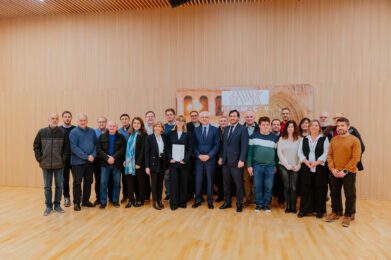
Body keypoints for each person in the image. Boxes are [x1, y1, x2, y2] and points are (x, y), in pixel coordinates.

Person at [325, 117, 361, 227]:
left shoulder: (354, 140)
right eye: (338, 126)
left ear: (348, 127)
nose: (340, 127)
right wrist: (332, 169)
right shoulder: (333, 140)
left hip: (349, 172)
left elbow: (356, 158)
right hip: (335, 171)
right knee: (334, 193)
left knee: (349, 194)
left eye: (342, 125)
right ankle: (336, 212)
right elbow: (329, 155)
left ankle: (348, 215)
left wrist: (345, 171)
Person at [33, 113, 69, 216]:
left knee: (59, 186)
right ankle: (48, 206)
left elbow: (67, 148)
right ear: (48, 119)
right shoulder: (42, 132)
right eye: (52, 118)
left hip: (59, 165)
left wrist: (63, 160)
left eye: (56, 119)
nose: (54, 120)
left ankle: (57, 205)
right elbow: (36, 146)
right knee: (47, 187)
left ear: (58, 120)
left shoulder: (62, 132)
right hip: (46, 164)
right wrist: (40, 159)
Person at [297, 120, 329, 218]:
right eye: (312, 125)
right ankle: (304, 210)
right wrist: (306, 162)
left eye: (316, 125)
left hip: (320, 168)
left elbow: (326, 153)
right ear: (309, 127)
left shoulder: (324, 138)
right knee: (306, 189)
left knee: (320, 189)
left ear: (319, 128)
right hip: (306, 167)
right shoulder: (304, 139)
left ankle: (320, 211)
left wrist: (316, 163)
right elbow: (300, 152)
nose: (314, 127)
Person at [247, 116, 279, 213]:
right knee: (257, 185)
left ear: (269, 126)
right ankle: (259, 204)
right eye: (263, 124)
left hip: (270, 166)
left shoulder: (275, 138)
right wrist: (249, 165)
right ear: (259, 125)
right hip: (257, 166)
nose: (265, 126)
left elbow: (277, 154)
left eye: (267, 125)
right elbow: (250, 153)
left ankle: (266, 205)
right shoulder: (253, 136)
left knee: (268, 186)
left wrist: (275, 165)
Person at [219, 110, 248, 213]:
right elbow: (224, 145)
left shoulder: (243, 129)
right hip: (226, 161)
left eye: (234, 116)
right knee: (226, 183)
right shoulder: (226, 129)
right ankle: (227, 202)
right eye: (230, 116)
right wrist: (221, 157)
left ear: (238, 118)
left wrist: (242, 159)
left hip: (237, 162)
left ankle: (239, 203)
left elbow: (244, 146)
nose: (232, 118)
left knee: (238, 184)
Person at [192, 111, 220, 209]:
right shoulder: (196, 130)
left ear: (209, 118)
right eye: (202, 117)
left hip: (210, 159)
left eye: (206, 117)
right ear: (200, 118)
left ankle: (210, 201)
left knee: (210, 180)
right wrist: (198, 155)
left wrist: (209, 155)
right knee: (198, 180)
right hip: (198, 159)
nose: (204, 118)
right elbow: (193, 145)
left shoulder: (215, 130)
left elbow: (217, 145)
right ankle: (198, 200)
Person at [69, 113, 97, 211]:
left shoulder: (92, 132)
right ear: (77, 121)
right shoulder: (73, 132)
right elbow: (74, 148)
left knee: (88, 182)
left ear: (87, 121)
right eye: (81, 120)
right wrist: (86, 156)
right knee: (77, 182)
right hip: (77, 163)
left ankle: (85, 201)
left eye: (84, 120)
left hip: (90, 162)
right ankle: (76, 203)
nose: (82, 122)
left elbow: (96, 145)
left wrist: (93, 155)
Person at [96, 121, 126, 208]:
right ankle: (103, 202)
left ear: (116, 127)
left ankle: (115, 201)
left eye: (114, 126)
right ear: (107, 127)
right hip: (104, 164)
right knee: (103, 183)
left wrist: (113, 157)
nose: (112, 127)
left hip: (117, 164)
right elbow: (98, 149)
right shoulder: (101, 137)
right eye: (110, 126)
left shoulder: (121, 137)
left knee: (117, 183)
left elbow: (123, 149)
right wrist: (107, 158)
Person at [167, 116, 193, 210]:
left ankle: (182, 202)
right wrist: (170, 158)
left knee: (183, 182)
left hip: (184, 163)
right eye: (178, 120)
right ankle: (174, 204)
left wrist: (185, 159)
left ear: (184, 123)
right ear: (176, 122)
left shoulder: (189, 134)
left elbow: (190, 149)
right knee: (174, 183)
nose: (180, 122)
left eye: (182, 121)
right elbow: (168, 148)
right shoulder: (170, 133)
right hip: (173, 162)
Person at [277, 120, 301, 213]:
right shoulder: (282, 138)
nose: (290, 128)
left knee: (294, 187)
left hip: (296, 166)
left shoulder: (299, 139)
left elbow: (301, 153)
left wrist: (298, 166)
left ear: (295, 128)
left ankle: (293, 206)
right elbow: (279, 153)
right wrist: (287, 165)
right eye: (289, 127)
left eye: (292, 127)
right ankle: (288, 205)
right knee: (287, 186)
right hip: (284, 165)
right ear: (286, 128)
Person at [124, 117, 147, 208]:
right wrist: (126, 161)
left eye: (138, 123)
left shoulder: (144, 135)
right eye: (134, 123)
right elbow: (128, 150)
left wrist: (139, 163)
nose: (136, 124)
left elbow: (143, 150)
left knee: (140, 183)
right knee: (130, 182)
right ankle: (130, 200)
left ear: (141, 125)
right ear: (132, 124)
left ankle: (140, 200)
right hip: (129, 163)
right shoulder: (131, 134)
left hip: (138, 164)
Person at [145, 122, 168, 210]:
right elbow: (146, 152)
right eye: (156, 126)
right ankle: (155, 201)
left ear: (162, 128)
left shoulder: (164, 137)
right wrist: (147, 166)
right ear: (154, 128)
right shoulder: (149, 138)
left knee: (160, 183)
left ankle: (159, 199)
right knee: (154, 183)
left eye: (160, 126)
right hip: (153, 163)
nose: (158, 128)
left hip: (162, 162)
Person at [60, 111, 76, 207]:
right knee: (65, 180)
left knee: (76, 180)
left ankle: (78, 197)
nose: (67, 118)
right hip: (63, 159)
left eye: (69, 117)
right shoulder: (59, 130)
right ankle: (66, 198)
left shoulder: (75, 129)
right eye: (65, 117)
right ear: (62, 118)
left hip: (75, 159)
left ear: (71, 118)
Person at [243, 110, 258, 207]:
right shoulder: (240, 128)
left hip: (257, 157)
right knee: (246, 179)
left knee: (256, 179)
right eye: (247, 117)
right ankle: (248, 199)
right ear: (245, 118)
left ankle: (256, 199)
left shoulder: (259, 128)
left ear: (254, 118)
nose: (249, 118)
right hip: (244, 158)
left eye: (251, 116)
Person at [93, 116, 108, 206]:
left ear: (106, 123)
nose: (101, 123)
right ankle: (99, 198)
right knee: (98, 180)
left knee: (109, 180)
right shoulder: (94, 132)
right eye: (99, 122)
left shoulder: (110, 131)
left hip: (107, 159)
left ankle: (109, 198)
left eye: (103, 122)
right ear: (97, 123)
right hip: (97, 160)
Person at [186, 110, 200, 201]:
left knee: (199, 175)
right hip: (189, 156)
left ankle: (199, 194)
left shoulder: (203, 124)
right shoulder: (187, 126)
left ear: (198, 116)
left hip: (200, 155)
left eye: (195, 115)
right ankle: (190, 194)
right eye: (192, 116)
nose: (194, 117)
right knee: (189, 175)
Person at [163, 108, 176, 201]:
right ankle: (168, 193)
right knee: (167, 175)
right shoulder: (163, 127)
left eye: (171, 114)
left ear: (174, 115)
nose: (169, 116)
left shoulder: (178, 125)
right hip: (166, 155)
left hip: (177, 154)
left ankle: (177, 192)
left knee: (176, 175)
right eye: (167, 114)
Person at [215, 116, 228, 202]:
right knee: (219, 178)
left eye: (224, 121)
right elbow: (217, 145)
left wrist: (222, 157)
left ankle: (227, 196)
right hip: (217, 158)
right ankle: (220, 195)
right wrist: (220, 157)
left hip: (228, 158)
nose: (223, 122)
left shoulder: (230, 131)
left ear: (227, 122)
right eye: (221, 121)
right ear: (219, 123)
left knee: (227, 179)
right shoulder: (216, 131)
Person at [144, 111, 156, 201]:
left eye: (152, 116)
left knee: (155, 177)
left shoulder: (158, 127)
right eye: (148, 116)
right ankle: (147, 194)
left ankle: (155, 195)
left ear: (154, 117)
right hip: (145, 154)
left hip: (155, 155)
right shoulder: (143, 128)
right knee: (145, 176)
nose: (150, 118)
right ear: (145, 118)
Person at [119, 113, 131, 203]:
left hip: (132, 157)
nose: (124, 120)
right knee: (124, 178)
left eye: (126, 118)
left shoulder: (133, 129)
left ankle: (133, 196)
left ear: (129, 119)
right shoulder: (118, 131)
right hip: (122, 158)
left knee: (132, 177)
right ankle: (125, 195)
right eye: (122, 119)